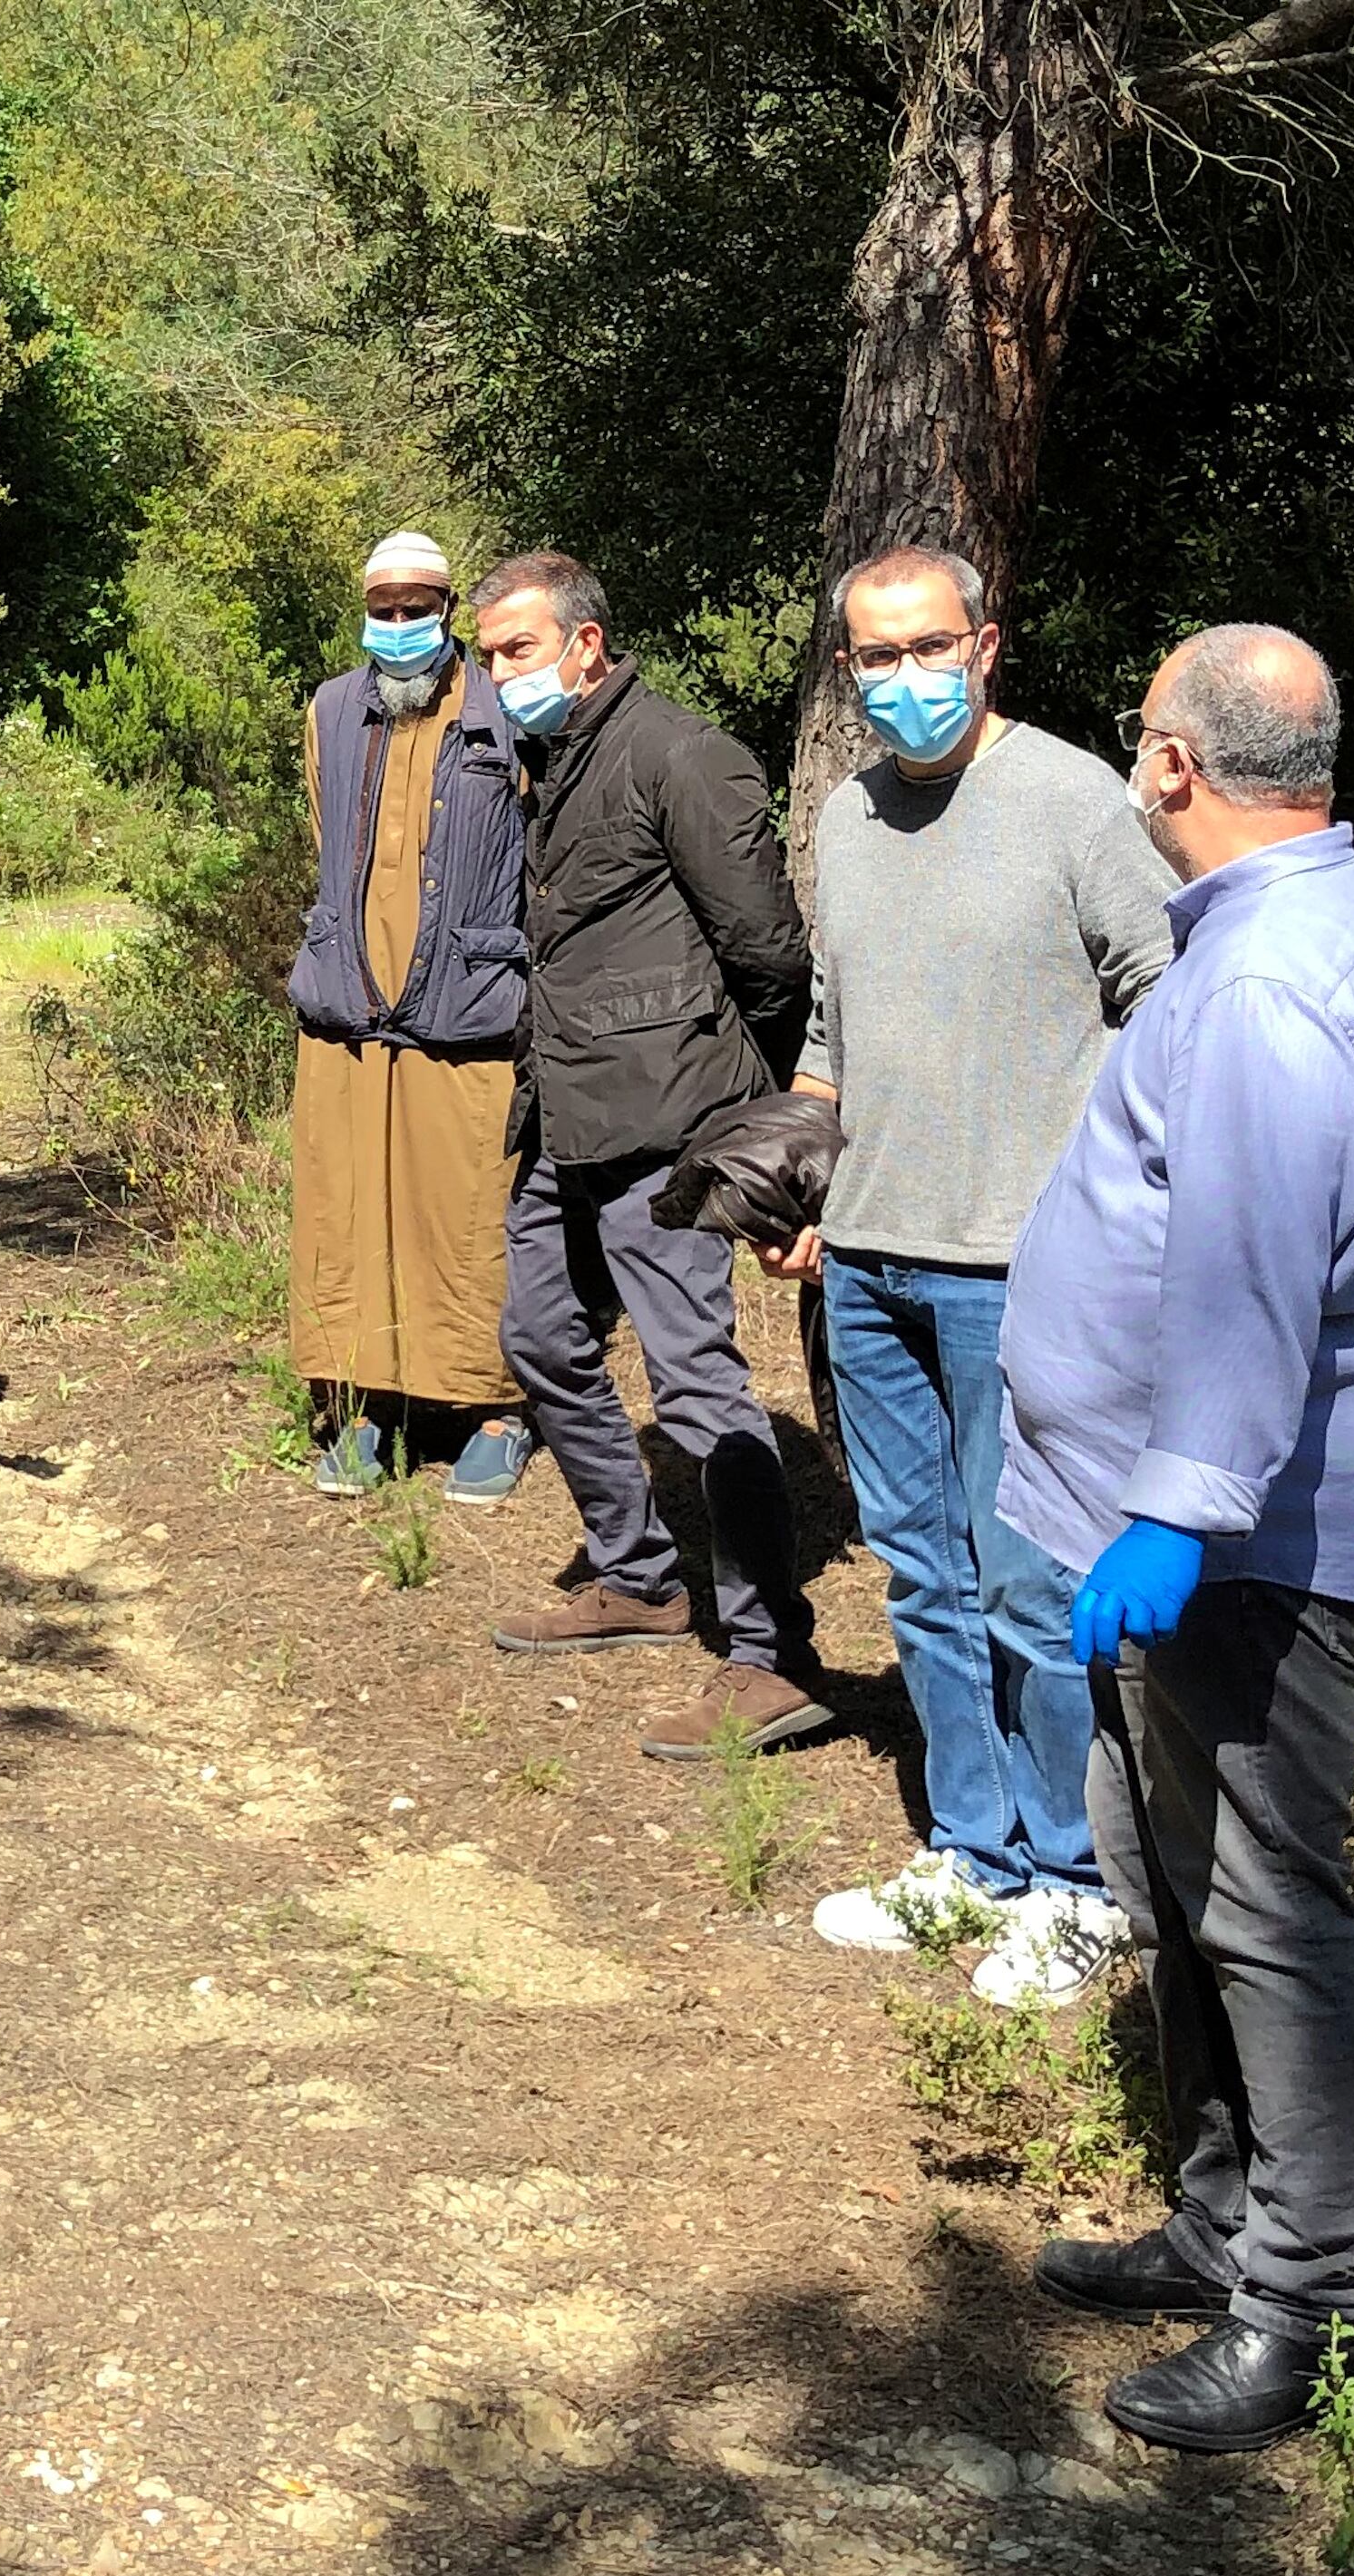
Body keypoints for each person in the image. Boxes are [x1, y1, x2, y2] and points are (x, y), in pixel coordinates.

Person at [999, 624, 1354, 2454]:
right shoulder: (1279, 929)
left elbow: (1255, 1275)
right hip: (1184, 1523)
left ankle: (1316, 2304)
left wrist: (1177, 1506)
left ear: (1175, 763)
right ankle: (1221, 2220)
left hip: (1252, 1542)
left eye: (1139, 735)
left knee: (1268, 1906)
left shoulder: (1271, 978)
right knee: (1170, 1866)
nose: (1134, 762)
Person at [768, 545, 1175, 2010]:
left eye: (928, 647)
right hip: (869, 1260)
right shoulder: (849, 815)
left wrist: (1107, 1191)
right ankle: (973, 1852)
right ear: (847, 668)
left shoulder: (1075, 799)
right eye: (875, 656)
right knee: (922, 1573)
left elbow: (1164, 997)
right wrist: (793, 1170)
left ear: (986, 645)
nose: (905, 678)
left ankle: (1079, 1882)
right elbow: (831, 1029)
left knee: (1032, 1579)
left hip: (1024, 1268)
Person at [469, 551, 825, 1755]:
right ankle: (637, 1575)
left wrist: (728, 1100)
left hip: (667, 1127)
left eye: (517, 648)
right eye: (487, 655)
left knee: (694, 1383)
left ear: (587, 645)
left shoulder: (679, 754)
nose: (497, 673)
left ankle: (773, 1651)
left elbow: (769, 956)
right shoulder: (551, 761)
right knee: (539, 1336)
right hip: (564, 1118)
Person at [286, 530, 533, 1506]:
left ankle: (495, 1407)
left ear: (448, 611)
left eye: (415, 610)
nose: (397, 626)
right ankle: (364, 1404)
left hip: (466, 1012)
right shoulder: (331, 711)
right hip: (349, 1009)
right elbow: (326, 833)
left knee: (469, 1212)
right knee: (348, 1212)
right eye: (382, 610)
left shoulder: (502, 711)